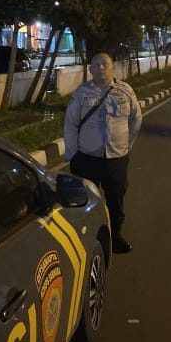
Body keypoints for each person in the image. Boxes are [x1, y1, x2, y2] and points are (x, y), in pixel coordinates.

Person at [63, 52, 142, 253]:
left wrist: (126, 147)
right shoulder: (81, 93)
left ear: (113, 67)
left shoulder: (125, 91)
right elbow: (70, 124)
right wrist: (73, 154)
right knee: (84, 201)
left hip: (116, 159)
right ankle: (84, 240)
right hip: (86, 159)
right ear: (90, 69)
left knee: (116, 199)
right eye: (96, 64)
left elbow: (136, 120)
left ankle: (115, 236)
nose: (100, 68)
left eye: (105, 64)